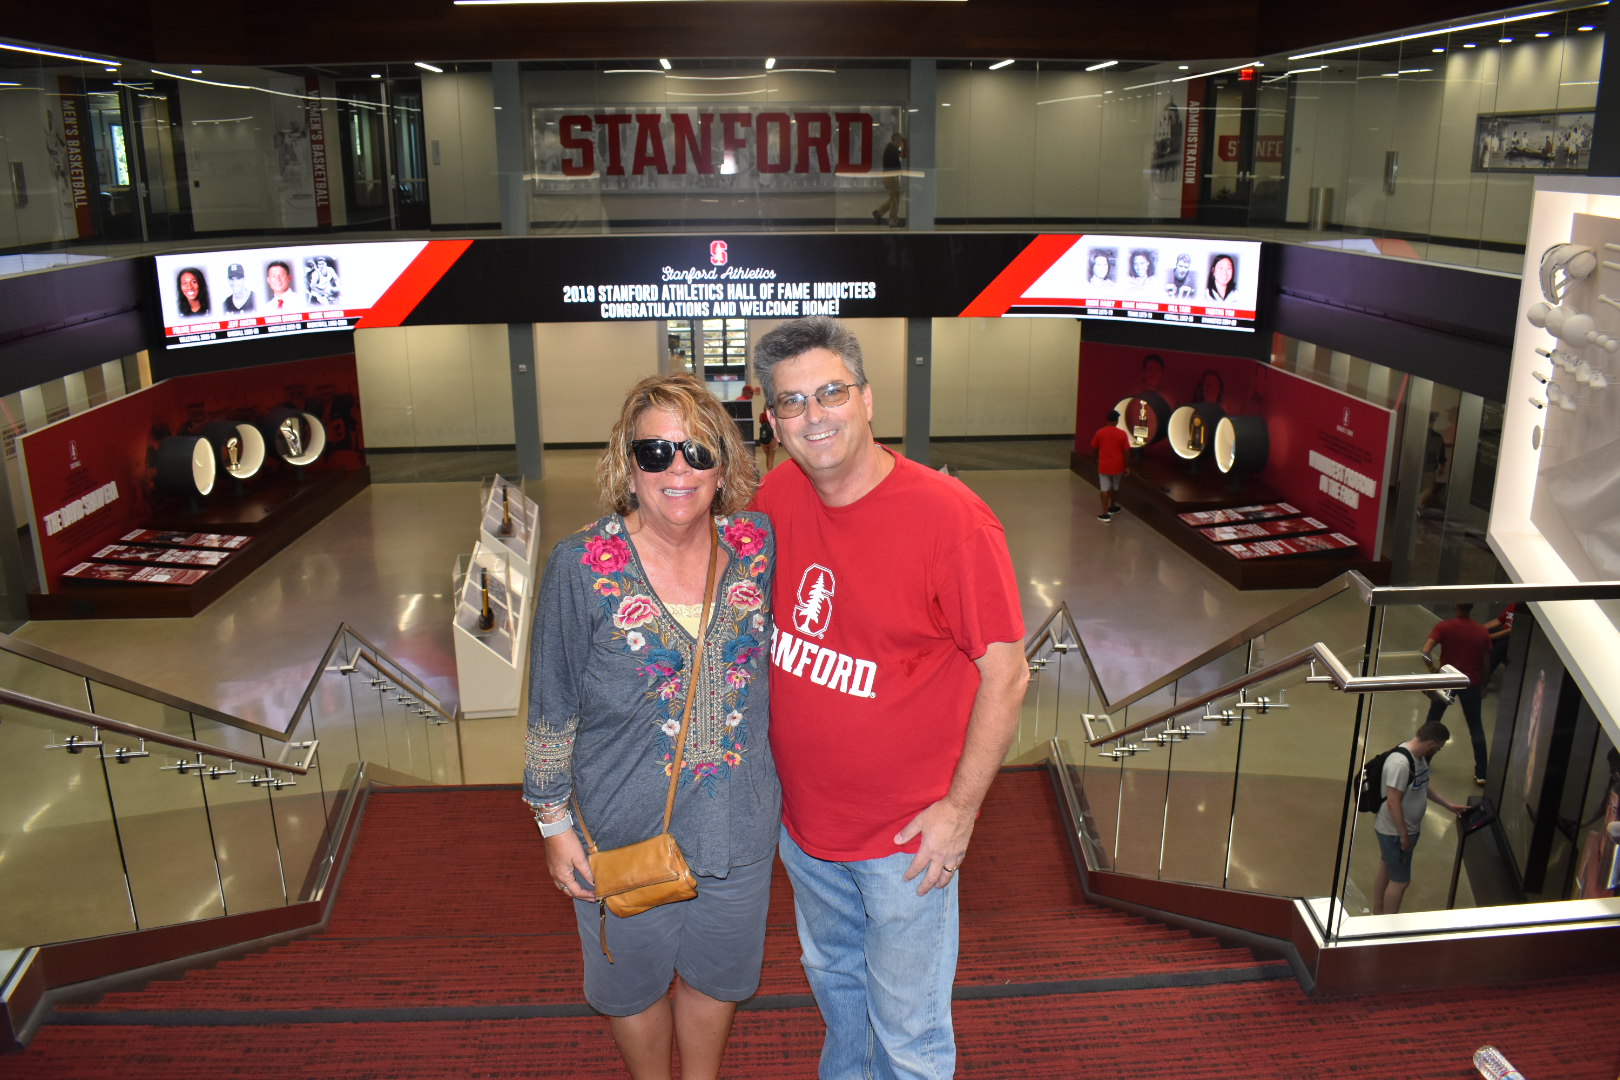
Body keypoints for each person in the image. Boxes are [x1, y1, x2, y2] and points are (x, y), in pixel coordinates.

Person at [750, 316, 1028, 1080]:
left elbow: (1008, 673)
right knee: (839, 998)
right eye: (793, 403)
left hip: (907, 845)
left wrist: (960, 812)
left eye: (831, 393)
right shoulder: (778, 495)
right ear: (771, 421)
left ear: (868, 399)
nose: (816, 416)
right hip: (807, 834)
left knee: (908, 1033)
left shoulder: (951, 521)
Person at [523, 372, 780, 1080]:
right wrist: (553, 824)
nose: (678, 469)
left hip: (740, 828)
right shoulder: (582, 568)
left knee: (717, 977)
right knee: (630, 987)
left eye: (698, 452)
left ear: (724, 465)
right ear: (627, 464)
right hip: (621, 829)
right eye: (656, 451)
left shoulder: (755, 546)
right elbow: (551, 705)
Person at [1371, 720, 1467, 915]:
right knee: (1400, 882)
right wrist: (1404, 835)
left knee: (1386, 866)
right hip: (1395, 832)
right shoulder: (1400, 763)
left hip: (1402, 830)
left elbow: (1422, 785)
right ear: (1431, 744)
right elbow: (1393, 801)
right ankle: (1387, 926)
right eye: (1438, 748)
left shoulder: (1417, 757)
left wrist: (1447, 804)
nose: (1436, 752)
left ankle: (1378, 910)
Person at [1422, 603, 1493, 785]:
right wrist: (1484, 684)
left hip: (1447, 681)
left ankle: (1422, 762)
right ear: (1472, 609)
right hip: (1471, 682)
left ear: (1455, 607)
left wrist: (1433, 670)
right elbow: (1486, 662)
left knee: (1433, 720)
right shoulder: (1481, 632)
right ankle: (1481, 773)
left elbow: (1426, 651)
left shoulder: (1444, 627)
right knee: (1475, 726)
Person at [1091, 409, 1131, 521]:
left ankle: (1105, 514)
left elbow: (1094, 448)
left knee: (1104, 488)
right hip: (1118, 466)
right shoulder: (1122, 434)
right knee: (1115, 486)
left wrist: (1093, 460)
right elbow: (1127, 452)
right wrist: (1127, 466)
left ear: (1107, 420)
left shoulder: (1100, 432)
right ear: (1117, 420)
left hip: (1104, 465)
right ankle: (1112, 507)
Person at [871, 131, 907, 227]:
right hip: (891, 178)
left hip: (889, 177)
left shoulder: (891, 148)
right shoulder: (892, 149)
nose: (900, 144)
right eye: (899, 141)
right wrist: (906, 143)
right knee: (895, 198)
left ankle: (879, 212)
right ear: (895, 140)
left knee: (893, 198)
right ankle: (893, 219)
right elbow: (903, 155)